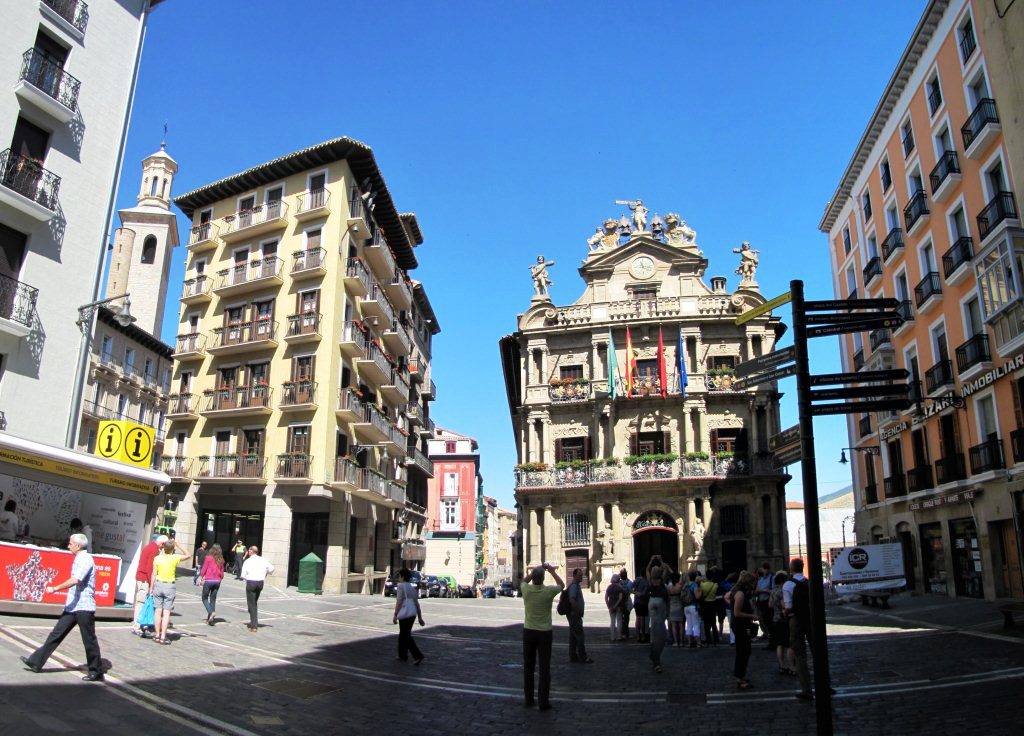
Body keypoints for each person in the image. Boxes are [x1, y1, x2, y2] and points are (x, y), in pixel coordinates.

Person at [20, 533, 104, 681]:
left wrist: (55, 588)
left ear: (78, 546)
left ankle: (96, 670)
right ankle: (36, 662)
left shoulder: (85, 559)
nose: (68, 546)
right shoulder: (79, 558)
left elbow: (76, 580)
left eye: (70, 544)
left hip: (84, 606)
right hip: (73, 605)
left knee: (88, 639)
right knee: (56, 634)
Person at [520, 562, 564, 711]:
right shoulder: (548, 591)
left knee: (528, 667)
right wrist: (552, 571)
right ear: (544, 578)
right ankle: (543, 702)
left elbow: (523, 581)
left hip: (529, 631)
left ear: (533, 578)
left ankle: (528, 698)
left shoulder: (526, 590)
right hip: (545, 633)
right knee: (544, 668)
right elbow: (562, 585)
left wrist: (533, 572)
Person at [150, 537, 191, 644]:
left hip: (158, 584)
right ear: (172, 549)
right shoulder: (174, 558)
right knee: (167, 612)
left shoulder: (157, 558)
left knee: (157, 611)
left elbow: (153, 574)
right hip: (169, 586)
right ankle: (163, 636)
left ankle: (157, 635)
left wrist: (151, 587)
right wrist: (178, 544)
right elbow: (188, 555)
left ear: (164, 548)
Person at [784, 558, 813, 700]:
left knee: (800, 655)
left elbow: (788, 608)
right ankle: (825, 685)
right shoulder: (809, 582)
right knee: (818, 652)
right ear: (802, 568)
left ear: (791, 569)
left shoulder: (788, 585)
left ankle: (806, 690)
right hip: (811, 619)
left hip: (795, 620)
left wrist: (784, 611)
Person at [132, 533, 167, 637]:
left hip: (141, 577)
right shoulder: (154, 550)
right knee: (141, 602)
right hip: (144, 579)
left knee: (141, 601)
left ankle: (140, 624)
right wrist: (152, 583)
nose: (163, 548)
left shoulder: (150, 546)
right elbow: (150, 568)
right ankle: (137, 626)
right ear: (162, 543)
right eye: (163, 545)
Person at [732, 571, 758, 689]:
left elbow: (728, 598)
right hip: (741, 626)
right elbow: (736, 613)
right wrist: (752, 616)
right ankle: (740, 678)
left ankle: (740, 676)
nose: (754, 585)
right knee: (743, 651)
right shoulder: (741, 594)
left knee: (744, 651)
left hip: (742, 625)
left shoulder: (740, 593)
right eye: (752, 582)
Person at [392, 568, 425, 664]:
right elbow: (417, 604)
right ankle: (402, 655)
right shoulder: (412, 588)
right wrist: (419, 617)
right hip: (412, 614)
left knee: (405, 635)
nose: (398, 578)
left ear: (402, 577)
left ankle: (418, 655)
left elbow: (399, 602)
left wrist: (395, 614)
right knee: (403, 634)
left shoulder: (401, 586)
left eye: (399, 576)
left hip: (405, 613)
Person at [241, 545, 274, 632]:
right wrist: (265, 573)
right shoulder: (263, 559)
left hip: (251, 582)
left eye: (248, 551)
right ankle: (253, 622)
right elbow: (272, 569)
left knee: (251, 605)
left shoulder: (247, 561)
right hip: (260, 583)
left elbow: (243, 575)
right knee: (254, 603)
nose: (248, 552)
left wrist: (247, 578)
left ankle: (254, 625)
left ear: (251, 552)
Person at [646, 555, 670, 673]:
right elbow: (666, 569)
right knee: (660, 626)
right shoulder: (661, 579)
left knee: (654, 625)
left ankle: (652, 638)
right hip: (660, 601)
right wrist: (661, 561)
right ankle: (656, 658)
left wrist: (651, 561)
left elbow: (646, 570)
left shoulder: (651, 580)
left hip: (651, 601)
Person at [769, 571, 795, 676]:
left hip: (775, 619)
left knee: (779, 644)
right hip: (783, 620)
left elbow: (769, 605)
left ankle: (781, 665)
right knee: (788, 644)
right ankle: (791, 666)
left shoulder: (773, 591)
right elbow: (784, 606)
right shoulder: (782, 591)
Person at [567, 567, 592, 663]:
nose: (581, 577)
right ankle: (583, 657)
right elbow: (572, 600)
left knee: (573, 637)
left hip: (574, 615)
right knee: (580, 636)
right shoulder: (574, 586)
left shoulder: (576, 585)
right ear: (574, 576)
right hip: (574, 615)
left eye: (582, 575)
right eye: (579, 575)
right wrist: (577, 611)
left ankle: (573, 656)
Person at [199, 543, 225, 625]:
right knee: (213, 599)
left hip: (209, 580)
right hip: (217, 581)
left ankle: (211, 612)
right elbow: (222, 573)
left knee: (204, 598)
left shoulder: (208, 558)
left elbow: (204, 568)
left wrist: (200, 577)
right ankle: (210, 619)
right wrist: (220, 578)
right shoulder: (221, 559)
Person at [684, 570, 703, 648]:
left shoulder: (686, 585)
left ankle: (689, 642)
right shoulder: (694, 585)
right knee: (696, 624)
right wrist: (700, 591)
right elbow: (697, 596)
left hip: (686, 606)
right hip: (693, 606)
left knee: (689, 624)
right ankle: (698, 642)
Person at [756, 563, 774, 643]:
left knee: (769, 620)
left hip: (768, 602)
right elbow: (756, 590)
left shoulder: (772, 578)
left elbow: (773, 591)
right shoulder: (760, 579)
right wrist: (758, 591)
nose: (765, 570)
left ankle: (771, 638)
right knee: (763, 620)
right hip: (761, 602)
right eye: (764, 568)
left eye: (766, 568)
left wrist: (763, 590)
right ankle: (767, 634)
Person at [667, 571, 686, 647]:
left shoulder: (669, 587)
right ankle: (681, 641)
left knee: (674, 625)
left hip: (672, 607)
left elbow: (668, 598)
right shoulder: (680, 586)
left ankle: (675, 642)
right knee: (681, 625)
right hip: (680, 606)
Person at [603, 574, 624, 642]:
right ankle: (619, 637)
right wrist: (616, 606)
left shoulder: (609, 587)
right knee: (619, 621)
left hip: (611, 606)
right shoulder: (619, 587)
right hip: (618, 606)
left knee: (612, 622)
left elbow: (606, 598)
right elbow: (620, 598)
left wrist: (609, 606)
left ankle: (612, 637)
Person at [633, 572, 650, 643]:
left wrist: (635, 593)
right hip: (643, 602)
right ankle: (642, 635)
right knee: (642, 619)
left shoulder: (636, 580)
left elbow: (630, 588)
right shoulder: (646, 582)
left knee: (638, 618)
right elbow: (644, 593)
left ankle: (637, 636)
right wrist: (639, 594)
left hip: (636, 602)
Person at [618, 568, 632, 639]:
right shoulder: (630, 582)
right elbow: (629, 591)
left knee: (621, 619)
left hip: (620, 602)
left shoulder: (618, 583)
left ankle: (621, 633)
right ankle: (626, 633)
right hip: (627, 602)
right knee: (626, 619)